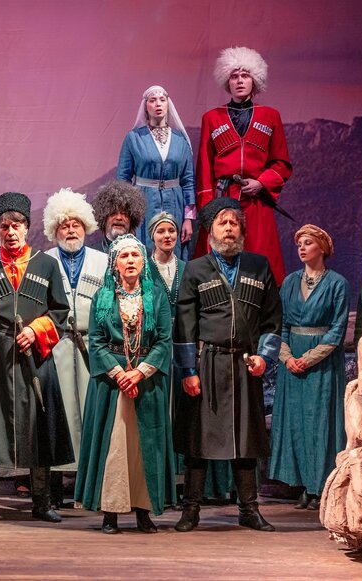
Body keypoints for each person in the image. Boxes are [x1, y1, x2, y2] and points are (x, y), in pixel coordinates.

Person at [0, 192, 73, 523]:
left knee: (39, 427)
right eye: (4, 226)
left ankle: (42, 501)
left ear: (27, 228)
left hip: (34, 358)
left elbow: (60, 311)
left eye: (16, 225)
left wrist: (37, 330)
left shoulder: (46, 265)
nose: (10, 232)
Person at [173, 197, 282, 532]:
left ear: (242, 231)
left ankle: (249, 510)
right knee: (199, 439)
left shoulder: (258, 266)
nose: (230, 228)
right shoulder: (195, 269)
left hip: (245, 365)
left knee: (246, 441)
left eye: (235, 222)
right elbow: (185, 324)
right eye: (223, 222)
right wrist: (188, 371)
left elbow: (272, 319)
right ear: (211, 231)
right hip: (208, 364)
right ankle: (190, 510)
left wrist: (265, 357)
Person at [74, 234, 176, 534]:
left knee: (144, 447)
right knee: (114, 446)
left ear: (143, 261)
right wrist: (120, 374)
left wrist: (139, 373)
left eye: (135, 255)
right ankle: (111, 512)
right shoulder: (103, 297)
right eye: (124, 256)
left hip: (146, 381)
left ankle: (144, 511)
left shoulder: (156, 296)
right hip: (112, 384)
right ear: (114, 264)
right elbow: (96, 341)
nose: (130, 261)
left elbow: (164, 340)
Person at [148, 212, 235, 503]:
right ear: (152, 236)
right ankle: (161, 484)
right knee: (161, 411)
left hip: (187, 346)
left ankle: (191, 484)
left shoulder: (189, 268)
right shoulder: (144, 268)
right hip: (156, 347)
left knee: (189, 413)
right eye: (161, 231)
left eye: (171, 231)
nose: (167, 236)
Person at [195, 47, 292, 285]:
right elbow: (204, 166)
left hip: (256, 202)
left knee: (259, 258)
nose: (239, 81)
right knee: (218, 262)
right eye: (234, 76)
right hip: (223, 198)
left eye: (245, 75)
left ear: (254, 80)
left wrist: (262, 182)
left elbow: (282, 163)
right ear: (226, 81)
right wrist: (208, 208)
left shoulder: (270, 116)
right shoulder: (212, 118)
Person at [269, 225, 348, 511]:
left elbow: (337, 329)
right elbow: (280, 324)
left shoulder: (337, 283)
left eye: (308, 243)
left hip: (321, 363)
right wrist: (287, 356)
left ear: (322, 248)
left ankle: (321, 486)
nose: (302, 248)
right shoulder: (290, 282)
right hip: (292, 361)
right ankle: (302, 484)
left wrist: (309, 358)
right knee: (296, 422)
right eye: (299, 244)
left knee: (320, 421)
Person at [43, 187, 106, 505]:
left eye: (76, 224)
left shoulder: (103, 262)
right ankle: (53, 490)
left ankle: (89, 488)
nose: (70, 230)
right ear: (54, 230)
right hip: (55, 346)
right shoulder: (44, 261)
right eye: (64, 225)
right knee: (59, 416)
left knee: (91, 415)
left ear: (86, 227)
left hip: (92, 347)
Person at [117, 85, 195, 258]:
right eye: (152, 100)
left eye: (162, 100)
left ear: (168, 104)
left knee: (172, 250)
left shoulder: (180, 139)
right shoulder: (134, 138)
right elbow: (123, 179)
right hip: (143, 203)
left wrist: (189, 219)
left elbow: (188, 180)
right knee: (145, 249)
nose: (158, 104)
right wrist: (126, 215)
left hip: (174, 203)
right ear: (146, 106)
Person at [91, 180, 146, 253]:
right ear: (103, 219)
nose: (119, 218)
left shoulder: (144, 254)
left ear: (132, 220)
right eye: (113, 213)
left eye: (124, 214)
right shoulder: (91, 253)